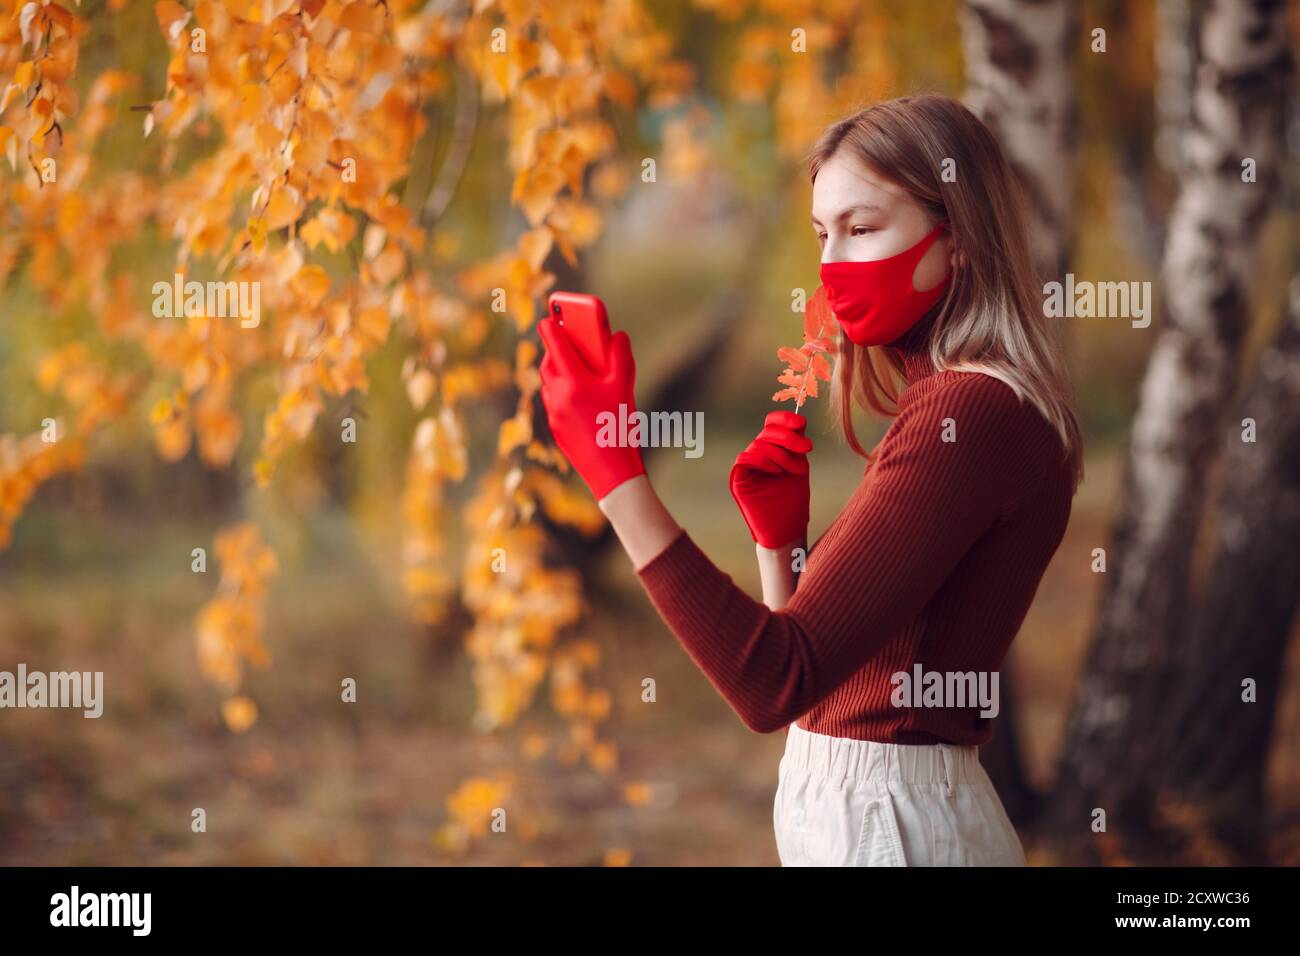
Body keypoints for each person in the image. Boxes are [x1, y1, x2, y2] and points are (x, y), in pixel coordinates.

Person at [536, 94, 1083, 866]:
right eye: (823, 235)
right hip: (879, 818)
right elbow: (824, 672)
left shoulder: (972, 412)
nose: (832, 264)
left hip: (898, 830)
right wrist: (781, 544)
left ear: (955, 237)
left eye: (862, 230)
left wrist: (614, 472)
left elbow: (771, 682)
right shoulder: (953, 401)